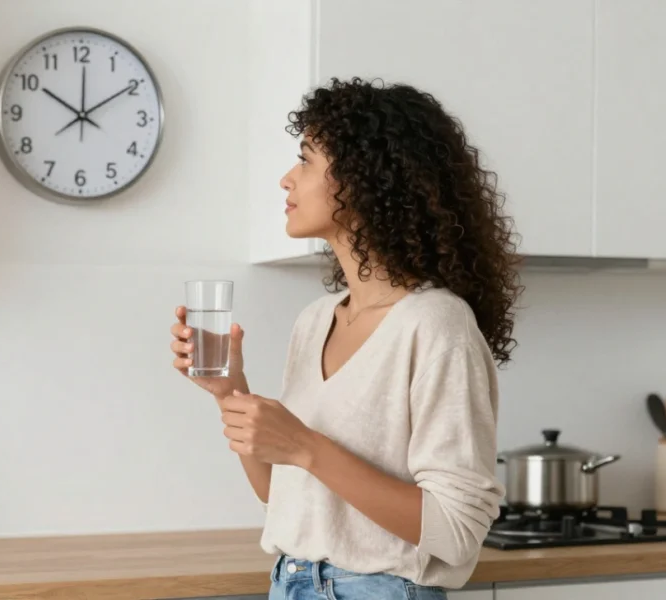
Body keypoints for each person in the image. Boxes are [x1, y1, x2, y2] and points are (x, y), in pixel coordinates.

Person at [170, 77, 521, 600]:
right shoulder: (316, 321)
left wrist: (307, 446)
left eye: (307, 160)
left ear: (366, 179)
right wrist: (230, 390)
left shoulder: (436, 324)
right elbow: (287, 497)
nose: (287, 179)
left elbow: (457, 530)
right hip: (292, 584)